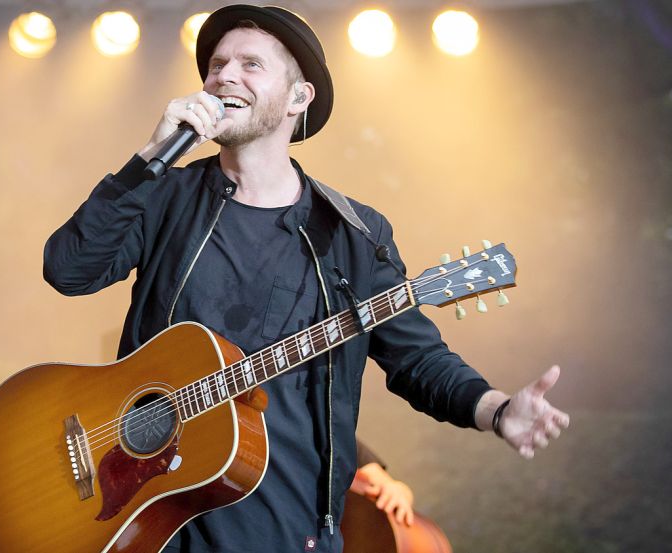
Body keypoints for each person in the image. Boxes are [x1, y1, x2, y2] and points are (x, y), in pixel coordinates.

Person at [43, 5, 570, 552]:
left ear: (299, 98)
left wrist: (497, 409)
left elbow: (416, 358)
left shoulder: (352, 234)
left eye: (251, 64)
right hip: (148, 523)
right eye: (217, 64)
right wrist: (150, 156)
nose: (224, 74)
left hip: (282, 528)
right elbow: (68, 269)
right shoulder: (166, 197)